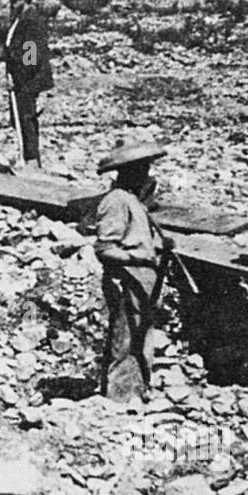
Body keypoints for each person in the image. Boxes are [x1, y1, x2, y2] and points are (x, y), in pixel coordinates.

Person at [94, 133, 171, 404]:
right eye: (141, 169)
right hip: (127, 279)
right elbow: (105, 249)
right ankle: (119, 400)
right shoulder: (116, 201)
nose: (146, 173)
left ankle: (137, 393)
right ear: (128, 171)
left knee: (141, 339)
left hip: (143, 279)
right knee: (126, 341)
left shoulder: (132, 199)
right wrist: (141, 260)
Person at [3, 0, 54, 171]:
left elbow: (31, 57)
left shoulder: (31, 21)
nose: (12, 2)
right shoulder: (19, 20)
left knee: (26, 118)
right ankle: (27, 156)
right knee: (21, 119)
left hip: (29, 80)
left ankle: (32, 160)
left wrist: (18, 77)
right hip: (22, 79)